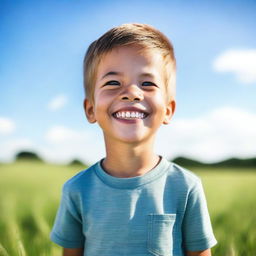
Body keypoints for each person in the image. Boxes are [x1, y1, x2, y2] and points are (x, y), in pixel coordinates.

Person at [50, 23, 217, 256]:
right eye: (113, 83)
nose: (132, 92)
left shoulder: (186, 187)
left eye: (147, 83)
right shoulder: (77, 190)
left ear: (168, 110)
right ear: (90, 109)